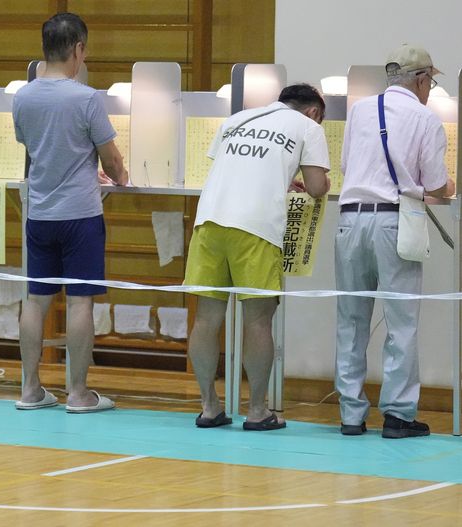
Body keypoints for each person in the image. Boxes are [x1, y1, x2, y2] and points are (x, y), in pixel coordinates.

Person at [184, 84, 331, 430]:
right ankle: (258, 410)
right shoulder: (309, 127)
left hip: (208, 222)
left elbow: (238, 168)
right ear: (313, 112)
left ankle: (209, 407)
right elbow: (315, 186)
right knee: (258, 320)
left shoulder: (236, 120)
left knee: (206, 319)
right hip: (256, 227)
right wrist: (313, 180)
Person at [335, 44, 455, 438]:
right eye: (430, 82)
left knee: (350, 320)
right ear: (421, 79)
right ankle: (399, 415)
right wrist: (448, 185)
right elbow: (436, 183)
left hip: (350, 220)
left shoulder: (360, 110)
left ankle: (351, 415)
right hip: (395, 223)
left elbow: (347, 167)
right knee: (401, 323)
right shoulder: (425, 119)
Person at [12, 13, 128, 412]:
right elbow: (110, 159)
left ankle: (30, 389)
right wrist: (121, 175)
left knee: (36, 299)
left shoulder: (23, 96)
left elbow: (32, 145)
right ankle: (77, 393)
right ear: (78, 49)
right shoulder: (86, 98)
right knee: (80, 301)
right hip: (80, 214)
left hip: (39, 213)